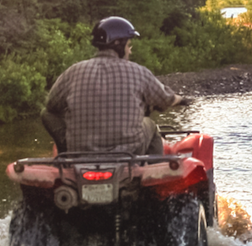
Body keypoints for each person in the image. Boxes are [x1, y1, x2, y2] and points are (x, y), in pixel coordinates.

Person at [41, 16, 185, 155]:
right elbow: (166, 100)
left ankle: (66, 152)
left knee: (45, 113)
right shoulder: (138, 71)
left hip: (80, 151)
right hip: (129, 152)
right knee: (150, 124)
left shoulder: (73, 71)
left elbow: (51, 107)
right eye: (128, 45)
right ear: (118, 44)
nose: (130, 51)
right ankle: (153, 172)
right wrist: (180, 99)